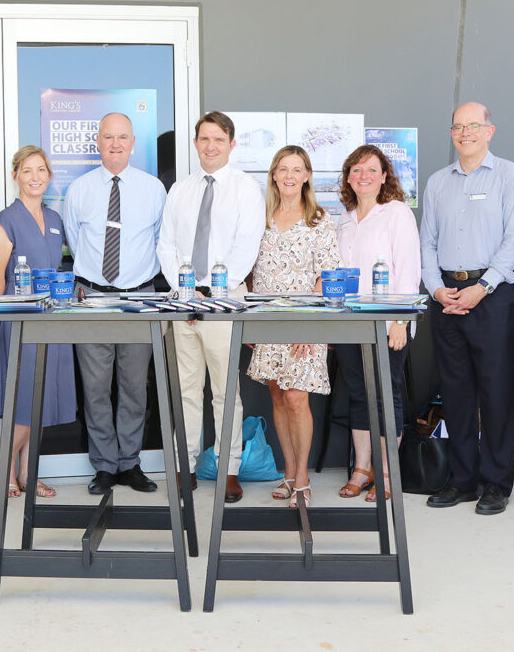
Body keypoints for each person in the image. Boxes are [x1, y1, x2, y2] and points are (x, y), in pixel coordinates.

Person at [419, 102, 514, 515]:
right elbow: (426, 243)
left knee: (497, 392)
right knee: (456, 393)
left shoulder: (508, 176)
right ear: (451, 134)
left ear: (490, 131)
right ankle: (462, 480)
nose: (465, 132)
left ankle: (496, 483)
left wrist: (482, 287)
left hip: (493, 294)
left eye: (473, 126)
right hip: (447, 296)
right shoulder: (437, 182)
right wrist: (436, 288)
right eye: (458, 127)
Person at [158, 111, 266, 503]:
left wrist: (212, 292)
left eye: (218, 139)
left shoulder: (245, 189)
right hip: (182, 302)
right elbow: (166, 244)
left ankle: (228, 468)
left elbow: (246, 246)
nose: (210, 146)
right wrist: (185, 288)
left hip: (224, 301)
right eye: (204, 139)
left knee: (225, 391)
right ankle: (185, 466)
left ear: (231, 144)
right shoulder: (180, 190)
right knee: (186, 389)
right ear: (195, 143)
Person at [63, 113, 167, 495]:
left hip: (140, 296)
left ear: (133, 142)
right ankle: (105, 465)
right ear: (98, 141)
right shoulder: (80, 189)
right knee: (95, 386)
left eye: (123, 137)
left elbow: (161, 240)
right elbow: (76, 241)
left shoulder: (153, 189)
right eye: (108, 137)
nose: (115, 143)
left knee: (135, 386)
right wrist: (95, 280)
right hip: (91, 296)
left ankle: (130, 463)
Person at [246, 145, 339, 508]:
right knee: (279, 398)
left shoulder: (319, 219)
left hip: (304, 323)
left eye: (296, 169)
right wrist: (251, 322)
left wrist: (308, 323)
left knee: (298, 398)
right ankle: (287, 473)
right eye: (283, 168)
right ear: (273, 174)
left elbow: (327, 276)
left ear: (307, 176)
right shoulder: (261, 217)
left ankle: (302, 478)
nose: (289, 175)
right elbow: (249, 273)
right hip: (267, 321)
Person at [334, 145, 421, 502]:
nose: (363, 176)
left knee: (387, 397)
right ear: (348, 178)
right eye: (356, 170)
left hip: (387, 324)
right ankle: (362, 469)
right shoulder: (343, 217)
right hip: (348, 323)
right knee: (358, 396)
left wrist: (401, 320)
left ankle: (387, 473)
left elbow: (409, 269)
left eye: (371, 170)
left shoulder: (396, 213)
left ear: (384, 176)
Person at [0, 146, 77, 498]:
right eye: (27, 170)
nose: (35, 177)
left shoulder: (55, 220)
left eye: (41, 170)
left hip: (52, 320)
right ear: (16, 176)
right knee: (24, 399)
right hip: (20, 323)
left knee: (42, 400)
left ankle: (28, 473)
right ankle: (5, 467)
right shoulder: (6, 220)